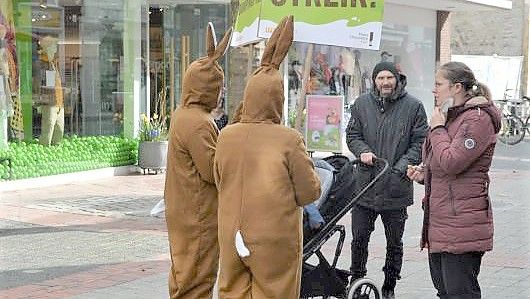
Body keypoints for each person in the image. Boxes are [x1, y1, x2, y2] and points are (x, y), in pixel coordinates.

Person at [214, 16, 321, 298]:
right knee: (275, 291)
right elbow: (309, 192)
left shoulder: (225, 135)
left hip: (230, 231)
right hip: (273, 237)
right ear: (278, 99)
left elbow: (218, 179)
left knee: (232, 291)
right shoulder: (288, 139)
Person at [407, 61, 500, 299]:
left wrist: (437, 129)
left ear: (457, 87)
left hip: (462, 225)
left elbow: (452, 161)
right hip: (441, 224)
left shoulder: (477, 119)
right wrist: (423, 174)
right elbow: (441, 164)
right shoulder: (452, 117)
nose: (434, 90)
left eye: (439, 84)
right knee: (445, 292)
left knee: (461, 294)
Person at [346, 61, 428, 299]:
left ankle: (390, 285)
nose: (385, 82)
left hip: (395, 186)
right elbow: (352, 134)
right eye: (380, 78)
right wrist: (361, 150)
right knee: (359, 238)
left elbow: (420, 141)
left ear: (397, 79)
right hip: (365, 186)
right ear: (374, 81)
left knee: (395, 242)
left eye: (388, 78)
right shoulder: (362, 104)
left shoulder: (413, 106)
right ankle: (357, 282)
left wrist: (400, 168)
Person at [163, 24, 231, 299]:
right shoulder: (200, 123)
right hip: (199, 212)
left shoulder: (182, 113)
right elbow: (211, 170)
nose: (221, 93)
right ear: (209, 89)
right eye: (219, 87)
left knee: (183, 271)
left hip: (181, 208)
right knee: (197, 276)